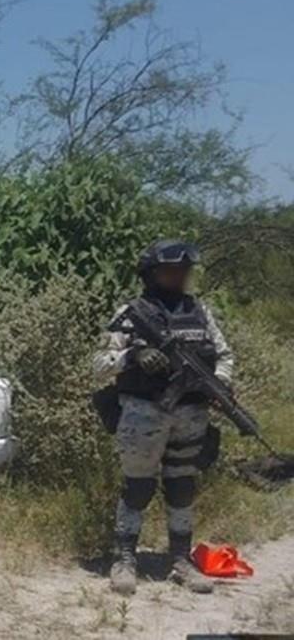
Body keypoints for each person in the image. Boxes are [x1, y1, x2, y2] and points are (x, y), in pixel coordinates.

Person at [93, 240, 233, 596]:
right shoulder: (132, 313)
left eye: (184, 271)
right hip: (144, 414)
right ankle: (124, 558)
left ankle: (181, 561)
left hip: (191, 413)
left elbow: (223, 355)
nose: (179, 276)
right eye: (171, 270)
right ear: (152, 274)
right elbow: (98, 366)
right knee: (138, 486)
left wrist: (222, 384)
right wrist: (132, 358)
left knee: (182, 487)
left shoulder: (199, 312)